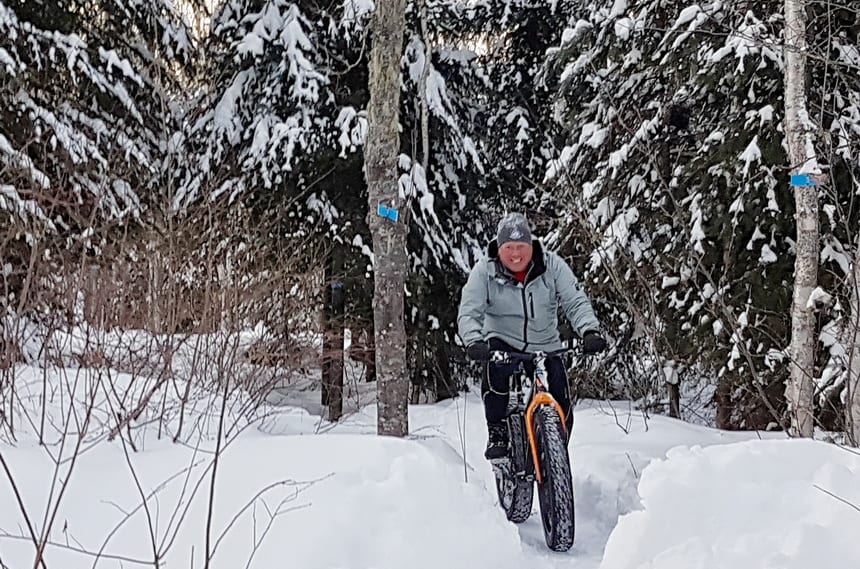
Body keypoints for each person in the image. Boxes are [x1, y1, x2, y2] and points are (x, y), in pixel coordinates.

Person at [457, 212, 607, 460]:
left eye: (521, 247)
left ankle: (556, 450)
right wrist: (474, 340)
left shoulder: (552, 266)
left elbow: (574, 300)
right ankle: (497, 432)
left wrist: (589, 329)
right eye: (509, 247)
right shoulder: (485, 271)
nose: (516, 254)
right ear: (499, 247)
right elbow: (469, 310)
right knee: (496, 374)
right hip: (503, 340)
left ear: (531, 245)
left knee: (560, 394)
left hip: (545, 343)